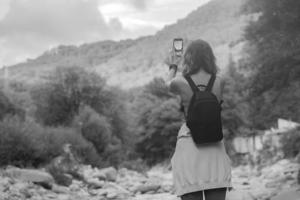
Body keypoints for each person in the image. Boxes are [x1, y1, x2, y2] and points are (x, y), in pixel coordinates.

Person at [165, 39, 232, 200]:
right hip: (215, 149)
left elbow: (166, 84)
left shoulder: (180, 82)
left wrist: (173, 65)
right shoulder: (220, 81)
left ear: (188, 58)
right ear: (210, 57)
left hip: (189, 147)